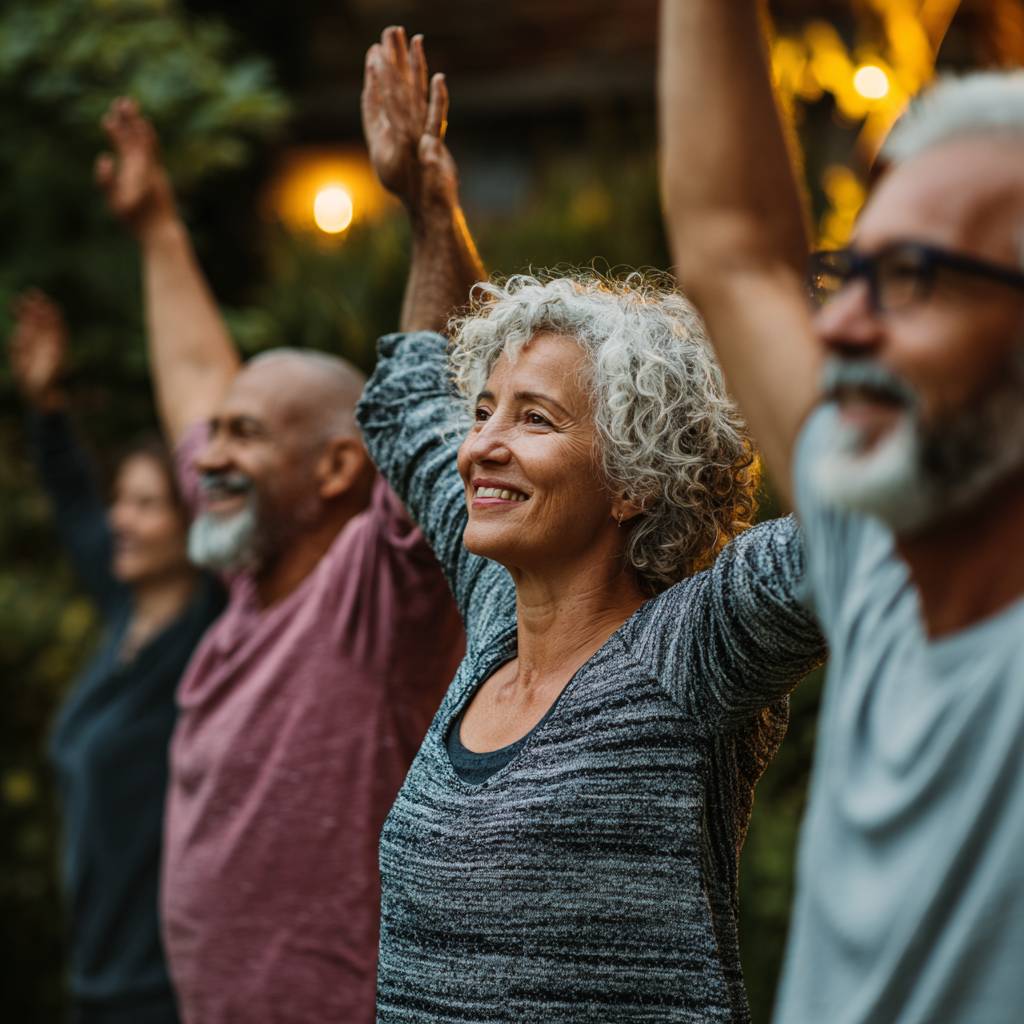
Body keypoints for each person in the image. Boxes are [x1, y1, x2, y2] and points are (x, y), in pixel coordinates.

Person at [357, 27, 826, 1022]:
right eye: (485, 408)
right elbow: (411, 408)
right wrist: (432, 207)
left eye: (534, 418)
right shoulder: (495, 608)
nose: (481, 442)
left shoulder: (689, 649)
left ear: (634, 482)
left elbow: (859, 523)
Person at [660, 4, 1024, 1023]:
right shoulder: (880, 555)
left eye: (910, 280)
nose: (841, 324)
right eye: (846, 271)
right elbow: (733, 250)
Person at [93, 97, 466, 1024]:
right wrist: (156, 229)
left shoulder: (375, 589)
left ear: (339, 467)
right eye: (215, 435)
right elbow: (190, 377)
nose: (207, 455)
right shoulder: (250, 578)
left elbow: (442, 408)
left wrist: (429, 217)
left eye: (245, 434)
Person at [8, 291, 225, 1024]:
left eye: (144, 505)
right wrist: (47, 406)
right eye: (121, 501)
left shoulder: (205, 643)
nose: (118, 520)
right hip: (93, 980)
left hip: (160, 994)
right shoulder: (127, 612)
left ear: (191, 526)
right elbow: (75, 507)